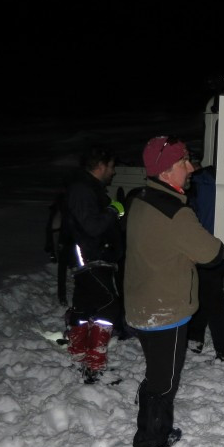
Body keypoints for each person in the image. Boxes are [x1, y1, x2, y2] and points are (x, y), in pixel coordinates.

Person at [124, 136, 224, 447]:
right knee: (163, 384)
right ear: (167, 171)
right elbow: (212, 253)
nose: (192, 168)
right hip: (164, 312)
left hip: (142, 306)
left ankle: (156, 429)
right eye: (185, 162)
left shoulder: (141, 199)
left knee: (157, 377)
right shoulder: (176, 213)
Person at [63, 147, 125, 383]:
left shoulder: (87, 187)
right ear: (101, 166)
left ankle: (79, 356)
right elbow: (92, 227)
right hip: (90, 258)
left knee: (85, 305)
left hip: (92, 257)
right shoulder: (83, 189)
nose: (114, 171)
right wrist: (112, 210)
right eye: (111, 166)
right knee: (108, 307)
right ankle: (94, 366)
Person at [187, 163, 224, 362]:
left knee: (212, 301)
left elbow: (190, 217)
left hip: (205, 249)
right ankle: (195, 340)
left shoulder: (197, 184)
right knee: (205, 294)